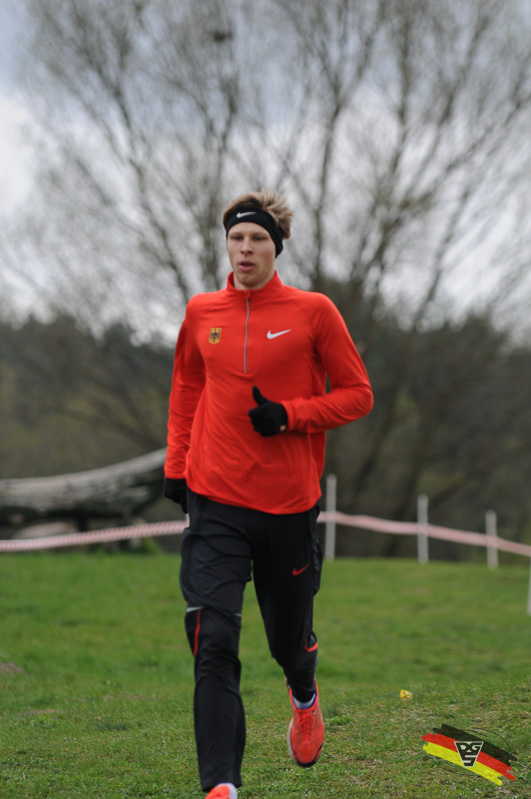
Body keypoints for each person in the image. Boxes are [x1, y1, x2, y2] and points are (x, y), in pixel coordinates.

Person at [164, 189, 373, 799]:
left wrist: (290, 415)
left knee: (288, 644)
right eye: (236, 238)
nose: (246, 248)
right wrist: (177, 467)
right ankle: (221, 786)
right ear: (227, 246)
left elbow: (358, 394)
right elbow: (186, 390)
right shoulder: (201, 312)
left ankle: (304, 697)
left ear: (276, 247)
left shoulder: (314, 312)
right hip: (214, 499)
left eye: (257, 238)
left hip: (287, 506)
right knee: (212, 640)